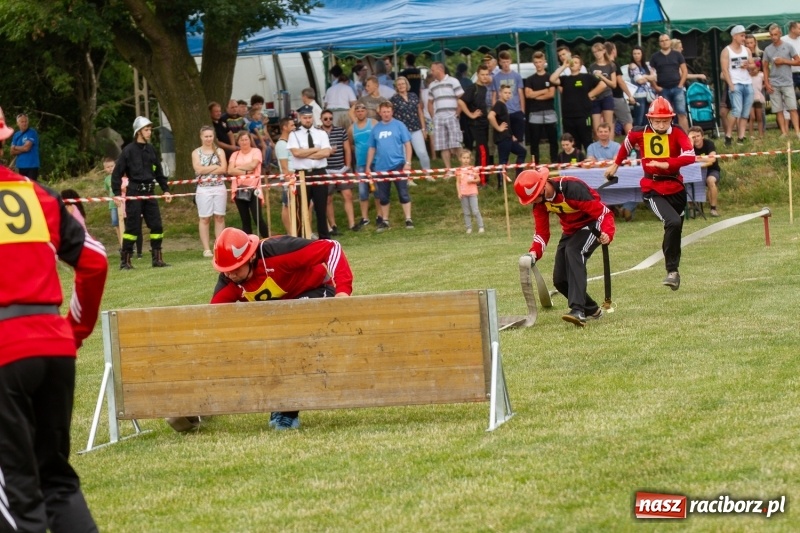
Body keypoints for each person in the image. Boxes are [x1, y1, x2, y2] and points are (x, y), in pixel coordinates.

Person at [0, 105, 108, 532]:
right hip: (53, 344)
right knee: (58, 483)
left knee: (17, 497)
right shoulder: (37, 194)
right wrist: (73, 330)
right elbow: (95, 261)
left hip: (5, 353)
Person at [166, 227, 353, 432]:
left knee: (291, 338)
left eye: (236, 268)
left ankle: (286, 412)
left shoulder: (278, 251)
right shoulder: (229, 279)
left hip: (314, 290)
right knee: (267, 342)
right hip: (279, 314)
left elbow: (331, 247)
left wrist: (343, 291)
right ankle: (275, 405)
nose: (230, 274)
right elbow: (212, 322)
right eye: (225, 270)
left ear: (251, 256)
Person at [604, 97, 695, 291]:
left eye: (665, 121)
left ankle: (674, 271)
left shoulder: (677, 132)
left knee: (675, 230)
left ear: (671, 119)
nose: (661, 125)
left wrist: (667, 163)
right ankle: (672, 271)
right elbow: (626, 144)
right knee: (673, 222)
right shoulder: (639, 132)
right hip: (652, 189)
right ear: (650, 119)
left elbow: (690, 155)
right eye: (657, 121)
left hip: (676, 188)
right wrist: (615, 164)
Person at [514, 167, 615, 327]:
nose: (533, 202)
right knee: (560, 280)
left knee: (574, 250)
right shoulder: (540, 203)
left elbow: (604, 213)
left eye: (534, 198)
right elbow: (541, 233)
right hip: (571, 231)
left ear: (543, 187)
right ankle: (592, 310)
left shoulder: (573, 188)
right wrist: (534, 253)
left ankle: (578, 310)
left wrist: (607, 233)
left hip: (592, 225)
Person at [111, 116, 173, 269]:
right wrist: (117, 193)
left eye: (150, 129)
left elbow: (159, 173)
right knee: (132, 228)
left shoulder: (151, 150)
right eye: (146, 129)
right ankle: (125, 261)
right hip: (134, 193)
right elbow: (117, 173)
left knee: (157, 226)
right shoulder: (128, 151)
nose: (149, 132)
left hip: (150, 193)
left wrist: (166, 190)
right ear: (138, 132)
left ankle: (157, 259)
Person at [365, 101, 414, 231]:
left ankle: (408, 219)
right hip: (381, 167)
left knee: (403, 193)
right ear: (380, 113)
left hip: (398, 164)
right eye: (384, 112)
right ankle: (385, 220)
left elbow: (407, 144)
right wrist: (368, 166)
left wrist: (408, 162)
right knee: (383, 196)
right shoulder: (376, 128)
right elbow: (372, 148)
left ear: (392, 112)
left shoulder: (399, 125)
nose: (386, 114)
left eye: (388, 111)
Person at [287, 105, 332, 239]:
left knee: (321, 207)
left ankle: (324, 237)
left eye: (310, 117)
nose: (308, 120)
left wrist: (305, 153)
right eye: (305, 118)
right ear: (300, 118)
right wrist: (316, 149)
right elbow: (296, 153)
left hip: (319, 172)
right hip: (302, 174)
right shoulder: (294, 134)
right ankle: (300, 238)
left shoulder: (321, 133)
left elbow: (326, 152)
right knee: (301, 208)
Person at [550, 55, 606, 152]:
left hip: (583, 115)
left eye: (576, 62)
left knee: (587, 140)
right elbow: (552, 79)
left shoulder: (587, 77)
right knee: (573, 142)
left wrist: (591, 94)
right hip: (568, 116)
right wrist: (564, 66)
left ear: (580, 66)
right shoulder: (565, 79)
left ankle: (590, 158)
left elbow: (603, 85)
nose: (573, 64)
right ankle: (577, 159)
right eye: (572, 62)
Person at [191, 125, 229, 257]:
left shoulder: (220, 151)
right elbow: (198, 170)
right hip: (203, 188)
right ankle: (206, 248)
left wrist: (206, 169)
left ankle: (219, 246)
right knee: (204, 218)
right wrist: (214, 166)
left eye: (210, 136)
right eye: (206, 136)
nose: (208, 139)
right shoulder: (196, 152)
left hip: (219, 186)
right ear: (201, 137)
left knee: (219, 217)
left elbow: (223, 169)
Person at [319, 109, 355, 234]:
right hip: (326, 170)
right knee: (328, 199)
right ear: (321, 119)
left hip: (341, 169)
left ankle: (352, 224)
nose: (328, 120)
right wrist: (327, 152)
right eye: (325, 119)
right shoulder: (318, 133)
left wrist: (348, 166)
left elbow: (347, 149)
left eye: (330, 118)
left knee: (348, 195)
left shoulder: (341, 131)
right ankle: (333, 225)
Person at [427, 61, 465, 177]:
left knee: (456, 143)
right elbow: (429, 102)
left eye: (433, 70)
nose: (431, 72)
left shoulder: (453, 81)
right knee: (443, 146)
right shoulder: (432, 85)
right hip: (439, 118)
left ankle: (464, 168)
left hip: (452, 116)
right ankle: (449, 170)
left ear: (440, 69)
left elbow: (461, 98)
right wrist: (433, 117)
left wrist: (457, 114)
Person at [229, 130, 269, 238]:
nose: (244, 142)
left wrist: (237, 169)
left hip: (254, 188)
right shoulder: (235, 154)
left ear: (250, 140)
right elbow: (230, 170)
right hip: (239, 189)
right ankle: (248, 243)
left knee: (258, 218)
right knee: (245, 219)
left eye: (246, 139)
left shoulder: (256, 151)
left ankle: (267, 240)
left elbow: (253, 165)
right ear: (238, 141)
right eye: (241, 140)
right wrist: (246, 172)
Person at [763, 23, 800, 139]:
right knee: (778, 109)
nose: (773, 37)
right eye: (771, 35)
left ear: (780, 34)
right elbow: (765, 67)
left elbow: (798, 61)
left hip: (787, 82)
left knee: (792, 108)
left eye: (775, 34)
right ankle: (784, 132)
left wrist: (784, 61)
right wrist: (767, 82)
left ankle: (797, 132)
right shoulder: (767, 49)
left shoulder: (788, 46)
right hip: (774, 83)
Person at [721, 25, 755, 145]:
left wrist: (749, 66)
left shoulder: (747, 50)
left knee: (745, 112)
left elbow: (753, 65)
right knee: (736, 110)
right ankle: (728, 136)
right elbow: (724, 70)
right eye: (742, 35)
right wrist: (731, 85)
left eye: (744, 35)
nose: (744, 38)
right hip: (735, 83)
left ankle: (741, 137)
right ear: (734, 36)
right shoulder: (726, 51)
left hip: (748, 82)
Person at [391, 76, 431, 177]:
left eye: (403, 84)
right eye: (399, 84)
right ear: (396, 87)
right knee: (405, 155)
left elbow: (420, 112)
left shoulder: (413, 95)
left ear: (406, 84)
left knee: (422, 152)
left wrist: (423, 129)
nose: (401, 86)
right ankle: (407, 177)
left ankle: (427, 173)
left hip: (416, 128)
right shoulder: (393, 99)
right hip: (401, 131)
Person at [348, 103, 380, 229]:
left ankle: (380, 215)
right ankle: (365, 217)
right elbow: (351, 144)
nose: (360, 112)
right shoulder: (352, 128)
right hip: (361, 162)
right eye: (358, 111)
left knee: (377, 189)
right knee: (362, 192)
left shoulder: (374, 123)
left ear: (366, 111)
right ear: (355, 113)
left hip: (375, 161)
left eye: (362, 110)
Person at [489, 84, 527, 189]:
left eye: (509, 93)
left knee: (522, 152)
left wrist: (512, 135)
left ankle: (518, 177)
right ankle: (501, 185)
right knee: (503, 161)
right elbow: (490, 116)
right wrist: (498, 128)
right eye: (505, 93)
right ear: (500, 93)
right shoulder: (499, 104)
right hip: (503, 139)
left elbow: (505, 122)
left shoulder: (503, 105)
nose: (508, 95)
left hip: (508, 137)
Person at [460, 63, 492, 184]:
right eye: (482, 74)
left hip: (484, 124)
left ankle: (476, 177)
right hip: (476, 124)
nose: (485, 77)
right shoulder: (473, 88)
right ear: (477, 75)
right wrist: (471, 114)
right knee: (483, 151)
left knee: (481, 151)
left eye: (486, 74)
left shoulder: (484, 88)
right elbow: (461, 101)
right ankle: (482, 181)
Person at [524, 51, 558, 164]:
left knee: (553, 140)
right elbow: (528, 95)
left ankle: (554, 161)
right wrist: (544, 91)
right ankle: (536, 163)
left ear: (544, 62)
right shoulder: (530, 79)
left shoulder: (550, 77)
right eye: (536, 62)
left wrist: (536, 95)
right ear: (534, 63)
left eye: (540, 61)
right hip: (535, 113)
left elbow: (551, 94)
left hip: (549, 112)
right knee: (534, 141)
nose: (538, 64)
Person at [650, 34, 689, 132]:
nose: (664, 42)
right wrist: (655, 87)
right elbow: (651, 74)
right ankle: (667, 136)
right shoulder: (655, 57)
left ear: (670, 41)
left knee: (681, 113)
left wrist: (681, 84)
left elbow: (684, 71)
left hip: (677, 88)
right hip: (663, 89)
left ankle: (685, 136)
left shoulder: (677, 55)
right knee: (665, 115)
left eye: (666, 40)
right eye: (662, 41)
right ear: (659, 43)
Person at [491, 51, 526, 144]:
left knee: (519, 139)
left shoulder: (517, 76)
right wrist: (495, 110)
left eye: (507, 61)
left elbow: (520, 93)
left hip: (516, 110)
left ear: (510, 61)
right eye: (503, 62)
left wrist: (522, 110)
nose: (505, 64)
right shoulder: (496, 78)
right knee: (504, 138)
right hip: (503, 112)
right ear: (499, 62)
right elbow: (494, 95)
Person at [688, 126, 721, 217]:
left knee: (710, 181)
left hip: (712, 170)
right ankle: (694, 208)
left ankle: (713, 208)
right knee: (689, 182)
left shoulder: (709, 143)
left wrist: (696, 159)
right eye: (693, 137)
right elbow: (687, 158)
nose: (696, 138)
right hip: (695, 170)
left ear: (702, 136)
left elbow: (712, 159)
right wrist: (690, 144)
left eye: (698, 136)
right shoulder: (688, 146)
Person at [588, 42, 617, 137]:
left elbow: (614, 84)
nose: (597, 54)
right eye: (594, 52)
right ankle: (598, 145)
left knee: (608, 124)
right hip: (595, 98)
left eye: (599, 51)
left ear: (604, 51)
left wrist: (602, 77)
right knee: (596, 127)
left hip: (607, 96)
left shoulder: (611, 65)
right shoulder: (592, 66)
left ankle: (611, 144)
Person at [275, 117, 296, 234]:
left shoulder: (291, 142)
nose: (294, 127)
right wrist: (289, 182)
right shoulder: (281, 144)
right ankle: (290, 232)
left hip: (296, 177)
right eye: (292, 125)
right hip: (289, 179)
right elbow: (284, 167)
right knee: (287, 205)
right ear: (284, 127)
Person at [455, 150, 484, 234]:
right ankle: (469, 228)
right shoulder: (458, 170)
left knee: (475, 210)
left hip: (472, 193)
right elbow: (457, 182)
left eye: (467, 158)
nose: (466, 160)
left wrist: (472, 181)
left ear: (470, 159)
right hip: (463, 193)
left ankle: (481, 226)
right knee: (466, 212)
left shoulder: (473, 169)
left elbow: (478, 179)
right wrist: (459, 192)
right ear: (460, 159)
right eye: (464, 158)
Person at [629, 46, 656, 127]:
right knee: (639, 120)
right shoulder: (632, 65)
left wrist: (644, 76)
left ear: (642, 54)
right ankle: (637, 134)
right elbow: (639, 81)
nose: (636, 56)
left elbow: (655, 77)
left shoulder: (645, 65)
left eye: (638, 53)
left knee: (647, 119)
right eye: (634, 54)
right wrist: (648, 77)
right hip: (638, 96)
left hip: (648, 96)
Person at [10, 112, 40, 181]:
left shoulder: (32, 132)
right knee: (22, 186)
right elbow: (12, 152)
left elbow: (26, 148)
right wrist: (22, 148)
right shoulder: (16, 135)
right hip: (20, 166)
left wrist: (15, 147)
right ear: (17, 123)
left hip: (31, 166)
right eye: (22, 122)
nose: (24, 123)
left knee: (30, 186)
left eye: (26, 121)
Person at [102, 156, 123, 249]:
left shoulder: (120, 176)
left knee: (124, 223)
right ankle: (121, 243)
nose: (110, 168)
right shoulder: (107, 179)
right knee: (116, 224)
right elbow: (108, 190)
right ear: (105, 169)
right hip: (112, 205)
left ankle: (128, 243)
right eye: (108, 167)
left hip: (122, 203)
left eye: (112, 166)